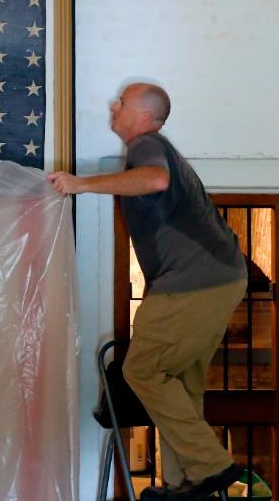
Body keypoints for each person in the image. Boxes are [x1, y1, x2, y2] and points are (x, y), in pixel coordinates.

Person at [48, 83, 246, 501]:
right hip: (219, 278)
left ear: (143, 116)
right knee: (180, 381)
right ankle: (185, 483)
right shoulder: (153, 148)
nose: (113, 105)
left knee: (142, 371)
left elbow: (155, 180)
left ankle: (212, 466)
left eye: (122, 102)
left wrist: (80, 184)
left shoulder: (147, 145)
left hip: (194, 281)